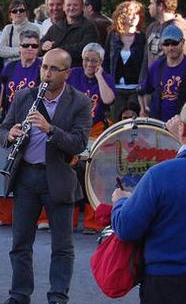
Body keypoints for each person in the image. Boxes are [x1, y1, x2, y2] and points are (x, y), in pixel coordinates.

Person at [0, 48, 92, 304]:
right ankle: (19, 295)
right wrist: (10, 135)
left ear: (67, 73)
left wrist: (51, 129)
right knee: (20, 243)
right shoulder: (25, 96)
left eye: (53, 69)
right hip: (26, 176)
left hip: (58, 178)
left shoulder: (79, 101)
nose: (46, 74)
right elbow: (1, 130)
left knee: (62, 245)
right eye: (43, 68)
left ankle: (58, 296)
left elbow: (80, 143)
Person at [111, 105, 186, 303]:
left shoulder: (160, 175)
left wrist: (120, 202)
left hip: (166, 280)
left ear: (183, 130)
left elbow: (127, 228)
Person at [0, 29, 43, 227]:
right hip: (11, 120)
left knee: (38, 170)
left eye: (34, 45)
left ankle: (42, 217)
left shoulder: (41, 67)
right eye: (25, 45)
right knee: (7, 168)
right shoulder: (10, 67)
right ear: (19, 48)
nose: (29, 49)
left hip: (36, 122)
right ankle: (5, 215)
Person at [66, 43, 115, 234]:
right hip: (74, 130)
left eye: (93, 61)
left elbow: (108, 99)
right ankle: (68, 221)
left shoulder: (105, 77)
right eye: (86, 59)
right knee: (71, 176)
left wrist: (100, 75)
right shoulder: (73, 74)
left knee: (93, 177)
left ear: (100, 62)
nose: (89, 64)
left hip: (95, 132)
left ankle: (92, 222)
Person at [104, 0, 146, 121]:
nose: (134, 17)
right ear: (122, 17)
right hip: (116, 88)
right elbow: (106, 60)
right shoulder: (113, 36)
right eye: (130, 14)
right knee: (117, 121)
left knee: (135, 122)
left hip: (136, 88)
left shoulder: (142, 37)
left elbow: (145, 63)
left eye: (137, 14)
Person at [138, 24, 186, 121]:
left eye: (174, 43)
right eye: (166, 44)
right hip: (159, 127)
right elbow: (142, 91)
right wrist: (143, 109)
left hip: (183, 128)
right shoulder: (157, 66)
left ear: (183, 42)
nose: (170, 47)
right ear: (161, 45)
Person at [140, 0, 186, 82]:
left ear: (160, 6)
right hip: (152, 83)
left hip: (172, 82)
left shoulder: (179, 27)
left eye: (151, 3)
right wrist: (142, 84)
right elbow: (146, 58)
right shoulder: (151, 27)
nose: (148, 7)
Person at [42, 0, 100, 68]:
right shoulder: (56, 27)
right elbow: (41, 44)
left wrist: (56, 49)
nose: (71, 8)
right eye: (69, 5)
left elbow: (84, 49)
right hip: (55, 73)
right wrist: (44, 45)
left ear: (82, 7)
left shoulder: (89, 27)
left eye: (75, 5)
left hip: (78, 72)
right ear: (64, 7)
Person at [0, 0, 42, 65]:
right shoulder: (8, 29)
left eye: (21, 10)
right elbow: (0, 50)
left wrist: (10, 51)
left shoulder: (34, 28)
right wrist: (20, 50)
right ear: (10, 15)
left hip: (30, 65)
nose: (18, 13)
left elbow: (36, 50)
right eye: (14, 11)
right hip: (12, 67)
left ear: (26, 12)